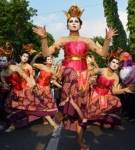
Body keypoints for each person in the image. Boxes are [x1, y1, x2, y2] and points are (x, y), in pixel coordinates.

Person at [32, 5, 117, 150]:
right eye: (71, 21)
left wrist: (107, 40)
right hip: (68, 77)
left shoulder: (86, 40)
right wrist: (44, 38)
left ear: (80, 24)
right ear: (67, 24)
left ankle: (79, 141)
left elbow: (103, 54)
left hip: (83, 79)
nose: (73, 23)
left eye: (76, 21)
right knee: (67, 100)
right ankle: (59, 113)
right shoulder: (63, 40)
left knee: (82, 112)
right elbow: (46, 53)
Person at [32, 54, 62, 127]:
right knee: (40, 104)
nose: (50, 60)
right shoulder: (42, 66)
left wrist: (60, 86)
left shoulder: (52, 70)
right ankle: (47, 120)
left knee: (48, 104)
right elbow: (32, 63)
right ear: (45, 61)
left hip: (47, 88)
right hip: (39, 87)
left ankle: (45, 119)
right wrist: (36, 56)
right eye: (48, 59)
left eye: (51, 59)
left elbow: (53, 81)